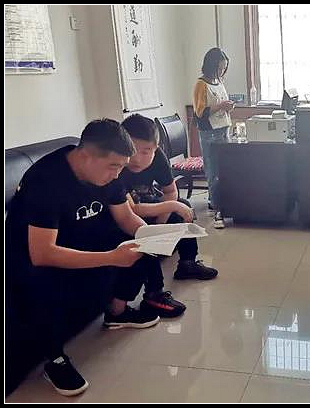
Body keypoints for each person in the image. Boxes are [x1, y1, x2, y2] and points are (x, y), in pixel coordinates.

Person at [5, 119, 185, 396]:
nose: (117, 175)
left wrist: (153, 236)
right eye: (113, 167)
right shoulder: (46, 181)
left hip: (79, 235)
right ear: (85, 155)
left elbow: (126, 218)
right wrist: (111, 257)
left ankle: (117, 313)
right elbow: (42, 253)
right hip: (32, 253)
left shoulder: (110, 172)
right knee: (40, 279)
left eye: (121, 167)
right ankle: (54, 358)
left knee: (137, 245)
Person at [120, 113, 218, 281]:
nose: (137, 159)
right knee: (176, 206)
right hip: (124, 213)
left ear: (155, 148)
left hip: (147, 202)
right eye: (132, 151)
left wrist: (161, 222)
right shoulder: (117, 165)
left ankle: (188, 263)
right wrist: (170, 208)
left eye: (145, 152)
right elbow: (131, 210)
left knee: (182, 206)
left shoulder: (158, 157)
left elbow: (170, 191)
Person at [193, 47, 234, 229]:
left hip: (224, 128)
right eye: (219, 68)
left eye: (224, 68)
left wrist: (228, 107)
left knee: (225, 168)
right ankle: (215, 203)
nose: (222, 71)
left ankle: (223, 200)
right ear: (211, 65)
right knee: (214, 170)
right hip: (210, 132)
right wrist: (220, 106)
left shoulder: (219, 81)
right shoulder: (201, 84)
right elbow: (199, 112)